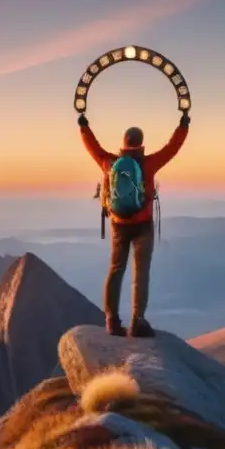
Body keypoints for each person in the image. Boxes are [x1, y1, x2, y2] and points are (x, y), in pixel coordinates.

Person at [78, 111, 190, 337]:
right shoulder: (149, 164)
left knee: (116, 268)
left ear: (123, 143)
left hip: (119, 225)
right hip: (143, 223)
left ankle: (111, 319)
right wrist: (183, 125)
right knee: (141, 272)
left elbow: (93, 147)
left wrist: (83, 125)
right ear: (141, 144)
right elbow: (172, 148)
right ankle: (137, 321)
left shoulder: (109, 163)